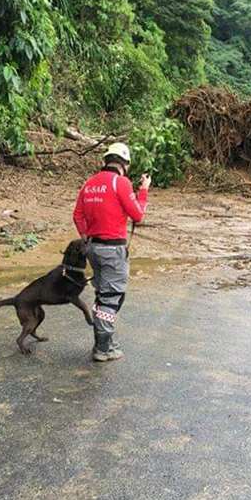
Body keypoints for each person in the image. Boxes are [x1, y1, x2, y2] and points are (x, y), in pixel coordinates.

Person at [72, 143, 150, 362]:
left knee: (103, 294)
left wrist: (86, 237)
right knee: (112, 298)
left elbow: (77, 215)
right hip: (113, 249)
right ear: (124, 164)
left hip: (93, 248)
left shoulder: (89, 183)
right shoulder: (121, 182)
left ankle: (107, 341)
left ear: (105, 161)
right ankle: (103, 347)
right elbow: (138, 215)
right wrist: (143, 191)